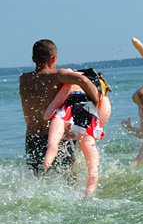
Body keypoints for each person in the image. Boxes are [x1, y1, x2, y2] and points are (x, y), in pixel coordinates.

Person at [19, 39, 101, 175]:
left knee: (37, 177)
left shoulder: (23, 79)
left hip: (32, 137)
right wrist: (95, 102)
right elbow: (83, 80)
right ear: (54, 58)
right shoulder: (57, 76)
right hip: (55, 137)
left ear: (33, 59)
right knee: (70, 176)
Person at [42, 69, 111, 197]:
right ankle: (92, 181)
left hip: (68, 107)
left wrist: (48, 115)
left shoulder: (70, 84)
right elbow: (104, 113)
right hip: (88, 110)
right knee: (89, 147)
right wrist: (96, 128)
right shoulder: (100, 93)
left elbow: (49, 112)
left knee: (54, 139)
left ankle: (49, 156)